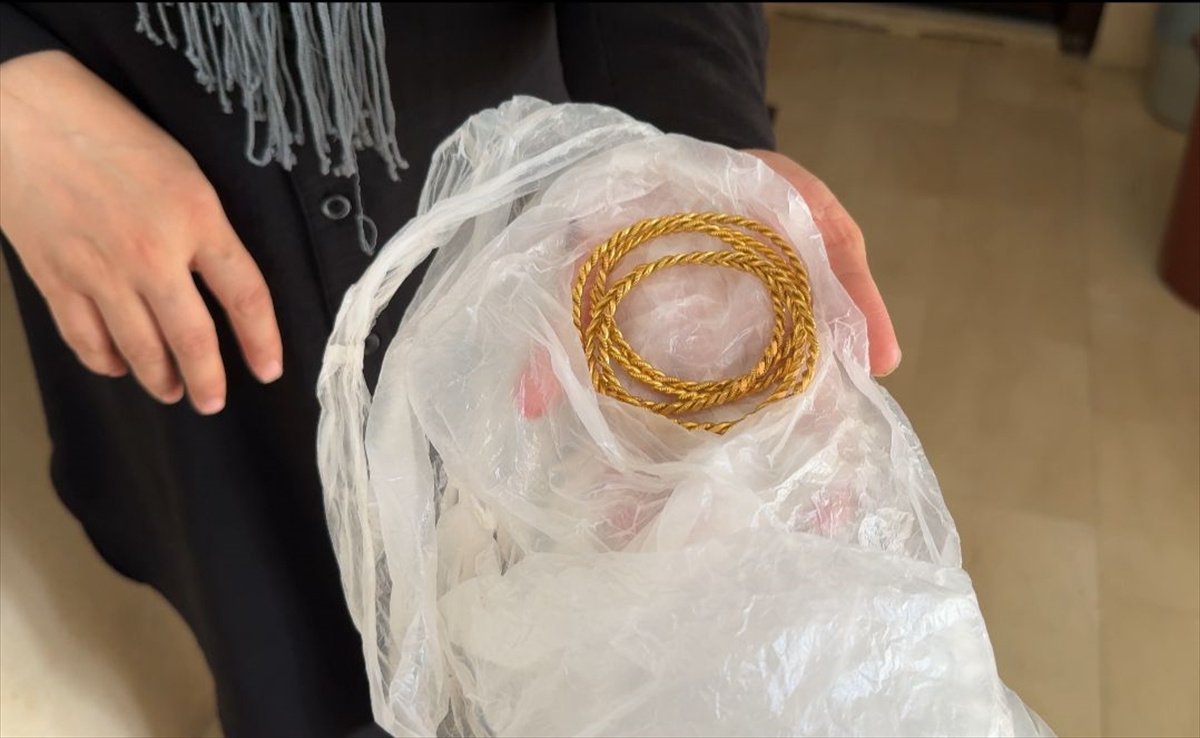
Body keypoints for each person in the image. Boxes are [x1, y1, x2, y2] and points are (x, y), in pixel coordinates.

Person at [0, 4, 900, 736]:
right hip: (141, 235)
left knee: (575, 610)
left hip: (536, 246)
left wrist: (690, 148)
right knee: (271, 627)